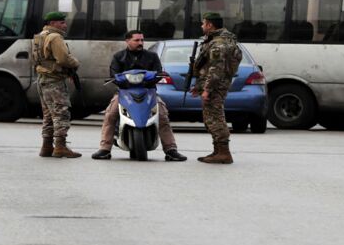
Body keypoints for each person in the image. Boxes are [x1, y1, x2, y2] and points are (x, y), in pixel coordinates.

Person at [91, 30, 186, 161]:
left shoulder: (152, 56)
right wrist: (120, 80)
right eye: (136, 40)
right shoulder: (118, 56)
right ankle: (105, 149)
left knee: (163, 116)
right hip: (125, 93)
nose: (140, 43)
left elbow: (159, 73)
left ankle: (171, 150)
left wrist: (152, 78)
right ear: (127, 41)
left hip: (149, 92)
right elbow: (114, 75)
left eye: (142, 40)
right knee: (110, 114)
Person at [191, 12, 243, 164]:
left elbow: (216, 70)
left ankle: (224, 153)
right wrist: (199, 86)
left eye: (203, 23)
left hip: (215, 86)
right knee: (211, 117)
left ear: (210, 25)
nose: (202, 26)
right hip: (216, 84)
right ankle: (218, 151)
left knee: (215, 118)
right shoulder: (220, 40)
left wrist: (207, 89)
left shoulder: (218, 44)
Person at [31, 11, 82, 158]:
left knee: (48, 114)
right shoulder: (55, 37)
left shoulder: (40, 36)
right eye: (62, 22)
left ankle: (46, 146)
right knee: (61, 112)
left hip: (42, 79)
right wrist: (76, 63)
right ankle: (60, 146)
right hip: (54, 80)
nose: (65, 25)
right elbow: (63, 59)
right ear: (53, 23)